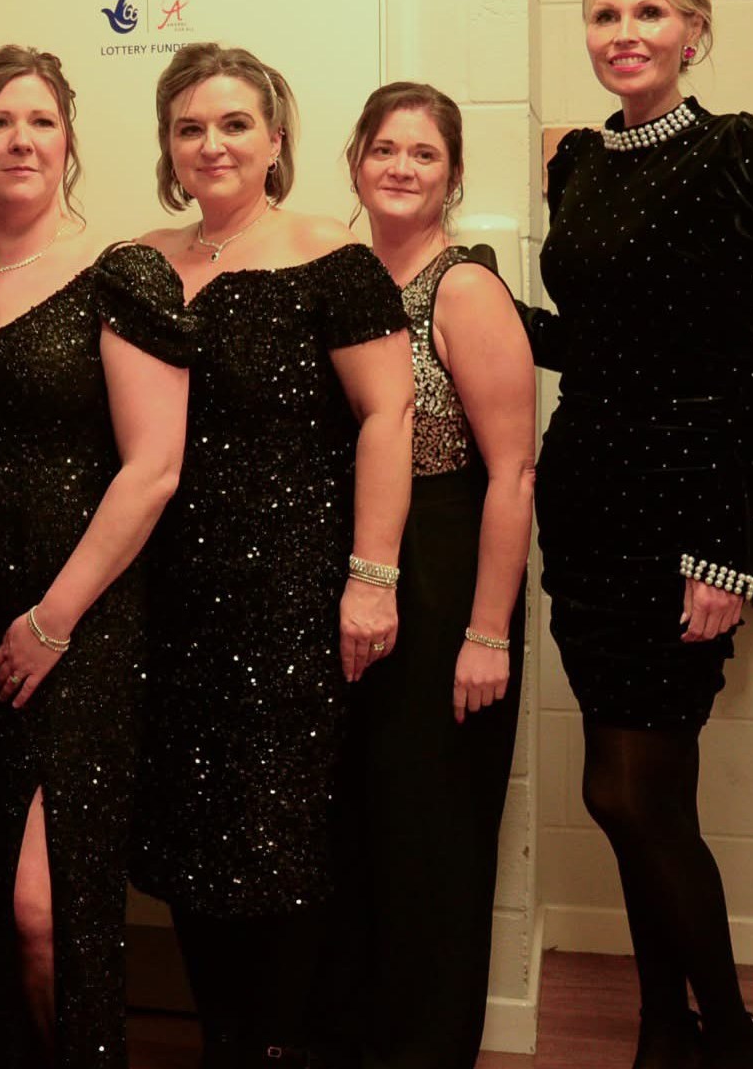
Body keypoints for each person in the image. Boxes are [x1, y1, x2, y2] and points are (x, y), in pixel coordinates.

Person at [521, 0, 753, 1069]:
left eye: (647, 13)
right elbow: (592, 343)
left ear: (693, 29)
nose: (624, 34)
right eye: (603, 16)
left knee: (638, 797)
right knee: (621, 798)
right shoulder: (577, 166)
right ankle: (660, 1030)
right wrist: (466, 297)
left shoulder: (738, 154)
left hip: (683, 510)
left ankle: (728, 1035)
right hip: (587, 500)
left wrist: (726, 552)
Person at [126, 44, 414, 1069]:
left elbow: (389, 415)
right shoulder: (142, 259)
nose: (212, 143)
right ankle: (221, 1041)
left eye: (234, 123)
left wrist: (370, 579)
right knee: (192, 838)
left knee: (276, 835)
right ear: (167, 144)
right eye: (190, 126)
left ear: (275, 139)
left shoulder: (330, 258)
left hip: (289, 594)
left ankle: (278, 1048)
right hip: (165, 596)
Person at [0, 46, 191, 1069]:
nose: (19, 140)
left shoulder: (125, 275)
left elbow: (153, 467)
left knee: (43, 909)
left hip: (74, 623)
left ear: (68, 141)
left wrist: (51, 622)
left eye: (38, 121)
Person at [333, 82, 536, 1068]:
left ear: (452, 175)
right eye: (384, 149)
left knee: (432, 837)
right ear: (355, 161)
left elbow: (514, 471)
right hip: (356, 559)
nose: (401, 167)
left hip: (450, 558)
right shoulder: (334, 272)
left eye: (422, 153)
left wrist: (486, 631)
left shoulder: (464, 288)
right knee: (362, 827)